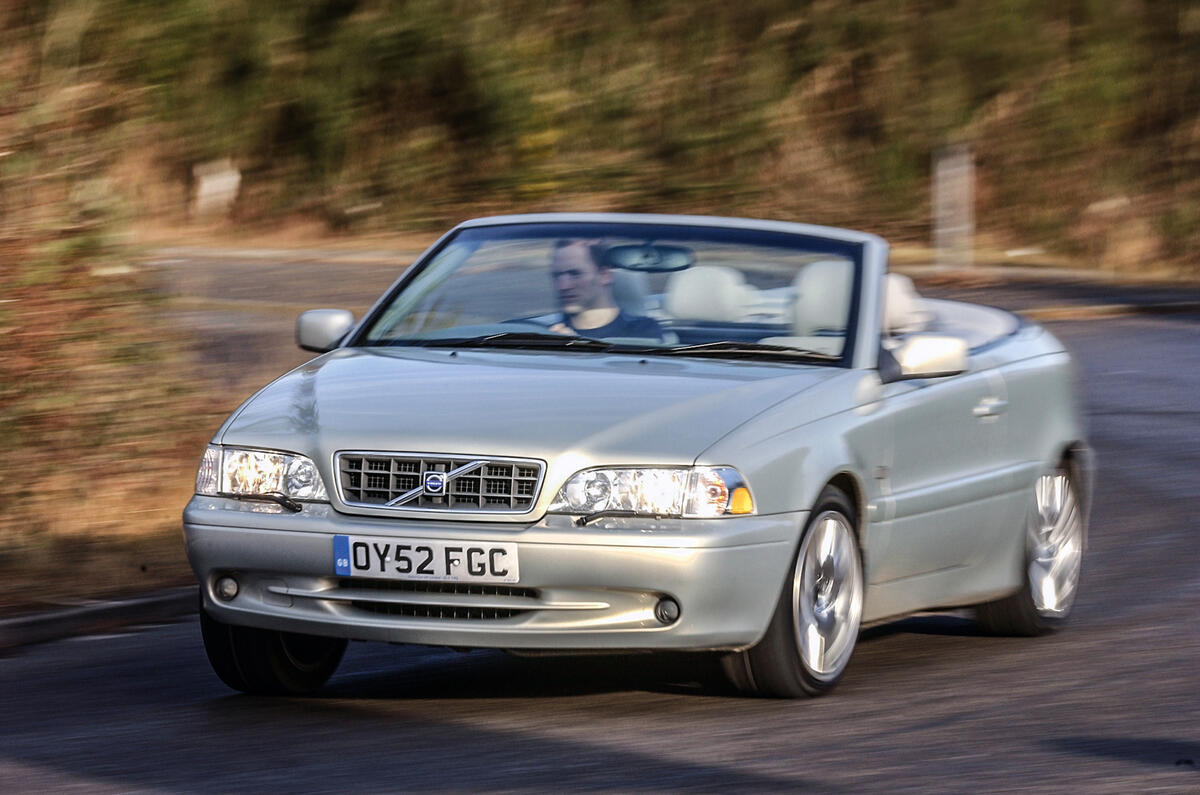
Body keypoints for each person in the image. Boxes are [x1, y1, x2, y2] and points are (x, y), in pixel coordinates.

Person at [548, 240, 664, 340]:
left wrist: (576, 345)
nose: (563, 286)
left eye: (575, 274)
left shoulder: (643, 331)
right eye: (556, 276)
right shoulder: (545, 334)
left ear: (605, 275)